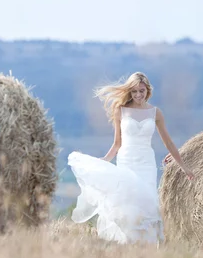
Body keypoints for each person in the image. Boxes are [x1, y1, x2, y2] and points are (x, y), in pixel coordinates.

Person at [67, 72, 194, 245]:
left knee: (147, 204)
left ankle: (147, 246)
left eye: (141, 91)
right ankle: (128, 246)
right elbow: (117, 143)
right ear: (130, 92)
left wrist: (184, 167)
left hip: (146, 163)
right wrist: (104, 160)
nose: (138, 95)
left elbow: (169, 143)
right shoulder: (121, 110)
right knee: (127, 206)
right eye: (134, 91)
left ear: (147, 90)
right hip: (126, 160)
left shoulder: (155, 113)